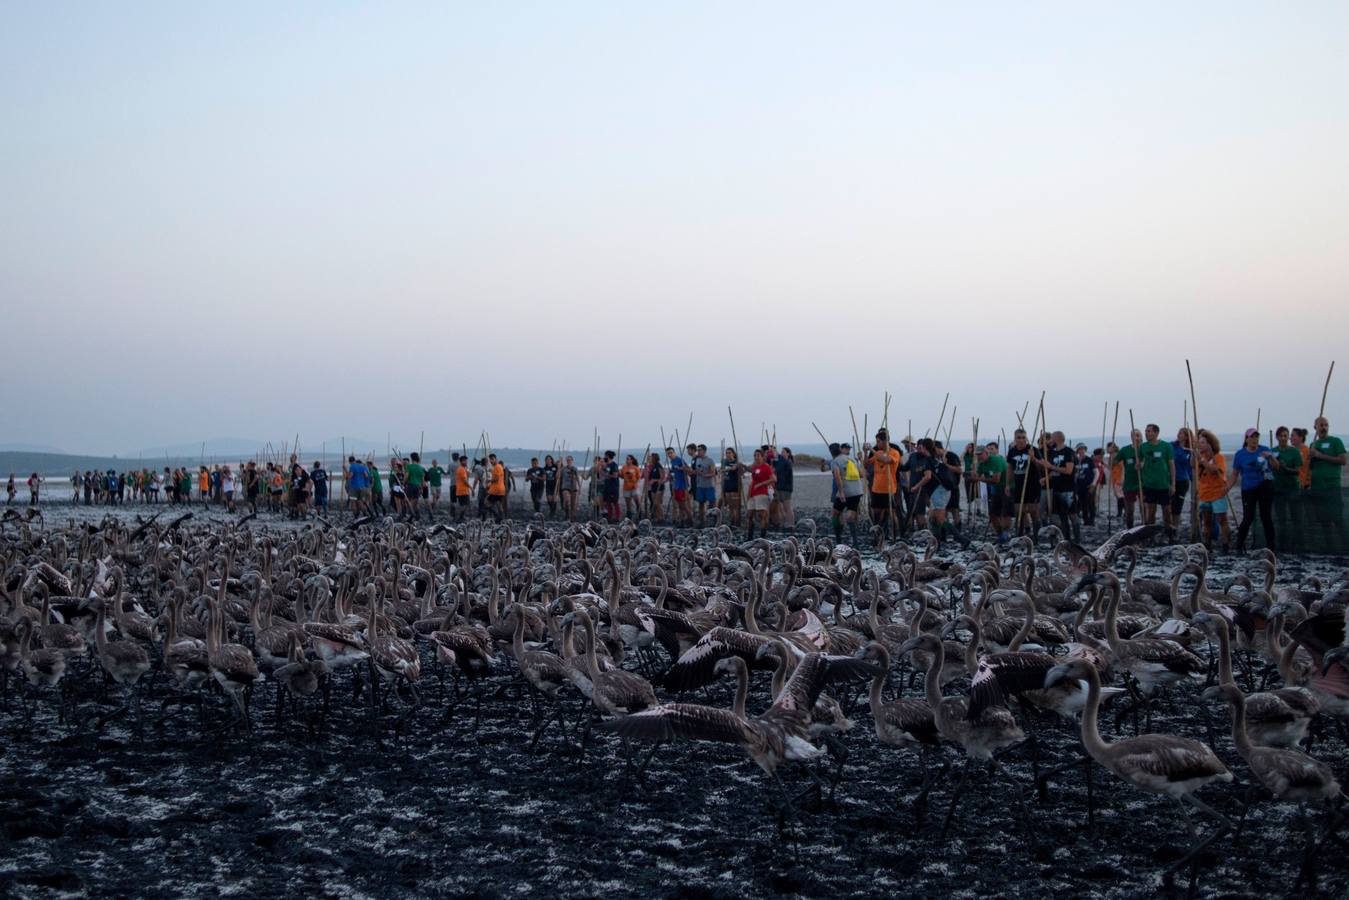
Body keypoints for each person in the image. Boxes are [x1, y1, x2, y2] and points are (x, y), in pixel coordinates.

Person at [1229, 428, 1276, 553]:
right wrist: (1227, 488)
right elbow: (1235, 473)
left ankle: (1271, 546)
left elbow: (1276, 467)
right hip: (1248, 488)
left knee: (1265, 516)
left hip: (1264, 486)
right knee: (1248, 517)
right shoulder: (1240, 454)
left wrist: (1271, 457)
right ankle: (1239, 545)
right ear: (1246, 439)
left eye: (1256, 437)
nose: (1254, 439)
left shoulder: (1264, 449)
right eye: (1252, 437)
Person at [1194, 429, 1231, 552]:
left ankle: (1225, 544)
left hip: (1217, 493)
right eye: (1199, 442)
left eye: (1203, 443)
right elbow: (1192, 465)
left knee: (1222, 520)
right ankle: (1207, 545)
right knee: (1207, 521)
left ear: (1210, 444)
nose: (1200, 445)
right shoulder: (1200, 457)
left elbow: (1214, 470)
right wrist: (1196, 456)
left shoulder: (1218, 457)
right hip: (1204, 494)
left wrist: (1203, 461)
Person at [1037, 431, 1076, 542]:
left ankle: (1069, 539)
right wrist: (1046, 478)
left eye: (1051, 438)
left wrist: (1051, 466)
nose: (1050, 441)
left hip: (1067, 488)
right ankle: (1059, 538)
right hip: (1055, 487)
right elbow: (1054, 469)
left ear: (1056, 439)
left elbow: (1069, 470)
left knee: (1067, 515)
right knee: (1055, 515)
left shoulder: (1068, 452)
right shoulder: (1054, 453)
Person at [1136, 424, 1175, 532]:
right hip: (1149, 484)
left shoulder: (1166, 446)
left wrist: (1173, 484)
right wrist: (1138, 465)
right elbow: (1139, 462)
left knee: (1167, 511)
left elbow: (1171, 465)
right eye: (1146, 431)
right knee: (1151, 512)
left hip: (1163, 484)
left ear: (1156, 433)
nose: (1146, 433)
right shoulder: (1143, 447)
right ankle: (1151, 535)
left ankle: (1169, 533)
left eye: (1149, 431)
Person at [1005, 429, 1041, 538]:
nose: (1021, 440)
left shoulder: (1032, 449)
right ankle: (1019, 535)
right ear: (1015, 438)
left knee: (1033, 511)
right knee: (1018, 510)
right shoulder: (1012, 451)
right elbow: (1010, 468)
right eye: (1018, 438)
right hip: (1018, 484)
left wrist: (1033, 458)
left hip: (1032, 484)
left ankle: (1036, 536)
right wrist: (1007, 484)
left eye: (1023, 437)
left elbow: (1041, 467)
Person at [867, 430, 901, 542]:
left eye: (878, 442)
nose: (877, 444)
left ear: (885, 441)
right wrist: (863, 455)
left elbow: (886, 460)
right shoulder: (878, 452)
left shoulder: (894, 452)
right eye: (876, 442)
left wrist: (872, 450)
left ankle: (895, 536)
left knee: (892, 514)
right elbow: (867, 464)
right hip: (876, 488)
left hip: (889, 488)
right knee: (877, 515)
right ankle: (878, 537)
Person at [830, 442, 865, 544]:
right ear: (840, 449)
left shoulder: (835, 462)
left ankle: (838, 540)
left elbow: (837, 476)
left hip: (846, 491)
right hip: (857, 491)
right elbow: (861, 474)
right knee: (850, 515)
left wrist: (841, 492)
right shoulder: (851, 459)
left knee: (835, 514)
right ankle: (855, 541)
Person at [975, 444, 1010, 544]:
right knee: (993, 514)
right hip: (996, 489)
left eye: (980, 454)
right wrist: (972, 476)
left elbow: (996, 480)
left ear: (986, 453)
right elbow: (977, 476)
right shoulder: (981, 463)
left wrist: (979, 479)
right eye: (977, 454)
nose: (978, 456)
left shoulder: (995, 460)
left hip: (1007, 487)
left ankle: (1006, 534)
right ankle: (1000, 535)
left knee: (1005, 513)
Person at [1307, 417, 1346, 494]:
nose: (1324, 428)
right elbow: (1311, 467)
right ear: (1315, 427)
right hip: (1316, 485)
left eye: (1326, 425)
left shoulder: (1336, 441)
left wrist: (1320, 455)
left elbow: (1343, 460)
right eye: (1321, 425)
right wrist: (1310, 458)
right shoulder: (1313, 444)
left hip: (1331, 485)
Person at [746, 448, 776, 539]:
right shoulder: (754, 467)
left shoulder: (766, 467)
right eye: (755, 456)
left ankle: (762, 536)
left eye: (758, 455)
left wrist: (761, 484)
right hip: (753, 493)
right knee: (750, 514)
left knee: (762, 514)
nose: (756, 457)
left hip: (762, 492)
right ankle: (750, 535)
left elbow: (773, 479)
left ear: (762, 457)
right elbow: (751, 477)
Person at [1074, 444, 1099, 530]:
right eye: (1079, 449)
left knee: (1091, 503)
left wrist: (1094, 483)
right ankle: (1086, 520)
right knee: (1082, 503)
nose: (1081, 451)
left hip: (1089, 485)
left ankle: (1092, 520)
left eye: (1083, 449)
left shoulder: (1089, 460)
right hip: (1079, 486)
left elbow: (1096, 472)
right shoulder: (1075, 461)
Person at [692, 444, 717, 527]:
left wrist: (705, 475)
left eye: (700, 450)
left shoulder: (710, 460)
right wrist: (695, 472)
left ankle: (714, 520)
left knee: (712, 503)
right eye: (697, 450)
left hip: (709, 485)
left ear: (704, 451)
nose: (698, 451)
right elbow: (695, 471)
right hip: (699, 485)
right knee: (701, 503)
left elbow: (713, 473)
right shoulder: (697, 460)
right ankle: (702, 521)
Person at [771, 447, 795, 531]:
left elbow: (781, 465)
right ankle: (784, 523)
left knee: (787, 507)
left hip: (786, 488)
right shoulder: (780, 462)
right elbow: (774, 468)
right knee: (780, 507)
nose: (782, 453)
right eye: (781, 452)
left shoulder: (788, 462)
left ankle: (791, 524)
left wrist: (776, 453)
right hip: (779, 487)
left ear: (788, 453)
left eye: (783, 452)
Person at [667, 447, 691, 526]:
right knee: (679, 505)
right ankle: (682, 521)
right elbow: (674, 471)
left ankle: (690, 519)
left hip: (682, 485)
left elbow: (688, 469)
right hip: (676, 485)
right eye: (668, 453)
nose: (670, 454)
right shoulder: (672, 461)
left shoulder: (680, 460)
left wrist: (681, 468)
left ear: (674, 452)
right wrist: (671, 474)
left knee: (683, 505)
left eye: (671, 452)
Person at [720, 448, 744, 527]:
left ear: (733, 454)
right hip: (727, 485)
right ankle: (732, 520)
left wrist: (725, 470)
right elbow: (721, 471)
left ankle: (737, 521)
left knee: (735, 506)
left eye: (730, 453)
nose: (728, 454)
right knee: (730, 505)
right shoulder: (725, 462)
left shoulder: (736, 463)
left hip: (735, 486)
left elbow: (734, 469)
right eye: (727, 453)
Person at [403, 452, 426, 520]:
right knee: (415, 502)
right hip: (418, 486)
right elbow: (423, 480)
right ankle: (417, 515)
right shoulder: (420, 468)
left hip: (411, 485)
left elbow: (406, 476)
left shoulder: (409, 466)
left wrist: (403, 483)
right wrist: (421, 488)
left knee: (408, 501)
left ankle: (411, 514)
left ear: (411, 458)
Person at [644, 451, 665, 521]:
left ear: (655, 458)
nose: (650, 459)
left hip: (659, 487)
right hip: (653, 487)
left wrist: (654, 480)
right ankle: (658, 517)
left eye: (651, 458)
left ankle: (661, 517)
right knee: (655, 504)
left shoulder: (659, 466)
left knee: (658, 503)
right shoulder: (653, 466)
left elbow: (662, 478)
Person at [620, 454, 642, 519]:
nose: (627, 460)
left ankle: (639, 515)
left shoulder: (635, 468)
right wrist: (619, 474)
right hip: (626, 487)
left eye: (628, 459)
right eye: (626, 459)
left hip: (634, 487)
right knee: (628, 504)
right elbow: (622, 476)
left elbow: (638, 478)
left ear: (631, 460)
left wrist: (636, 484)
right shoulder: (624, 467)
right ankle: (629, 517)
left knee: (637, 502)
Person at [559, 455, 580, 522]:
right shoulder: (563, 469)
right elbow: (557, 476)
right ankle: (566, 514)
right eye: (567, 460)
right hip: (565, 487)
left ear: (572, 461)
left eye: (570, 460)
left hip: (573, 487)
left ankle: (572, 517)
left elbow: (577, 478)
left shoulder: (575, 469)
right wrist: (559, 467)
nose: (569, 461)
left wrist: (579, 487)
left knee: (573, 504)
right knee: (567, 500)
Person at [601, 451, 622, 522]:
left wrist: (607, 475)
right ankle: (609, 517)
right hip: (607, 486)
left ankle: (617, 517)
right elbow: (603, 472)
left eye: (605, 456)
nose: (604, 457)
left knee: (615, 502)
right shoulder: (606, 465)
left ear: (608, 456)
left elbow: (615, 475)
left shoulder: (614, 465)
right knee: (608, 502)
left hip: (613, 486)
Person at [487, 453, 507, 521]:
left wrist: (489, 480)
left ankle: (497, 516)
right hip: (500, 489)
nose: (491, 461)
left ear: (496, 459)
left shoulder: (497, 467)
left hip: (496, 489)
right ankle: (501, 517)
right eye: (490, 460)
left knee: (486, 502)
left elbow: (496, 479)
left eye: (492, 459)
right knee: (499, 504)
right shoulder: (498, 467)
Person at [452, 456, 471, 522]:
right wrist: (471, 488)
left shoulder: (462, 469)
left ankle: (461, 517)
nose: (466, 462)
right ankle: (460, 518)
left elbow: (466, 477)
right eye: (465, 461)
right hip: (462, 490)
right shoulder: (461, 469)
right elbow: (465, 481)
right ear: (461, 461)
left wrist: (467, 473)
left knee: (463, 505)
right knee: (464, 505)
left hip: (462, 490)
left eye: (466, 461)